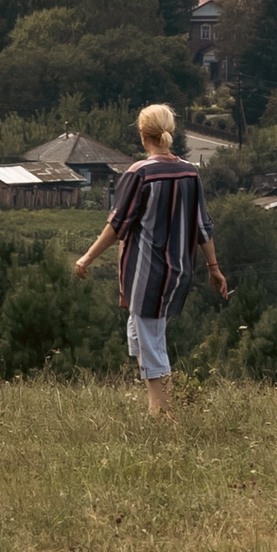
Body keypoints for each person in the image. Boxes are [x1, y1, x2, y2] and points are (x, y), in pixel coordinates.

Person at [72, 103, 226, 416]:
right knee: (139, 336)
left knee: (151, 343)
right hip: (178, 272)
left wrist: (86, 257)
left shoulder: (140, 174)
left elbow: (118, 226)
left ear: (143, 135)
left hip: (148, 274)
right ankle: (156, 407)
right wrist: (213, 267)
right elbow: (202, 226)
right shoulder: (189, 172)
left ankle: (164, 415)